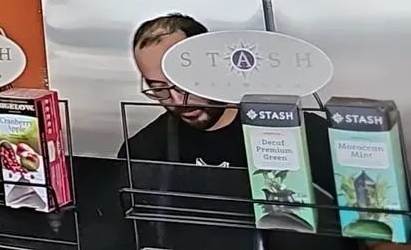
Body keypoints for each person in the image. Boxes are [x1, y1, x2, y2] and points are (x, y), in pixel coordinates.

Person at [117, 13, 397, 250]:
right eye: (158, 89)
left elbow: (384, 236)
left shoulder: (305, 135)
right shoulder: (144, 151)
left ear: (214, 66)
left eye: (183, 83)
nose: (178, 101)